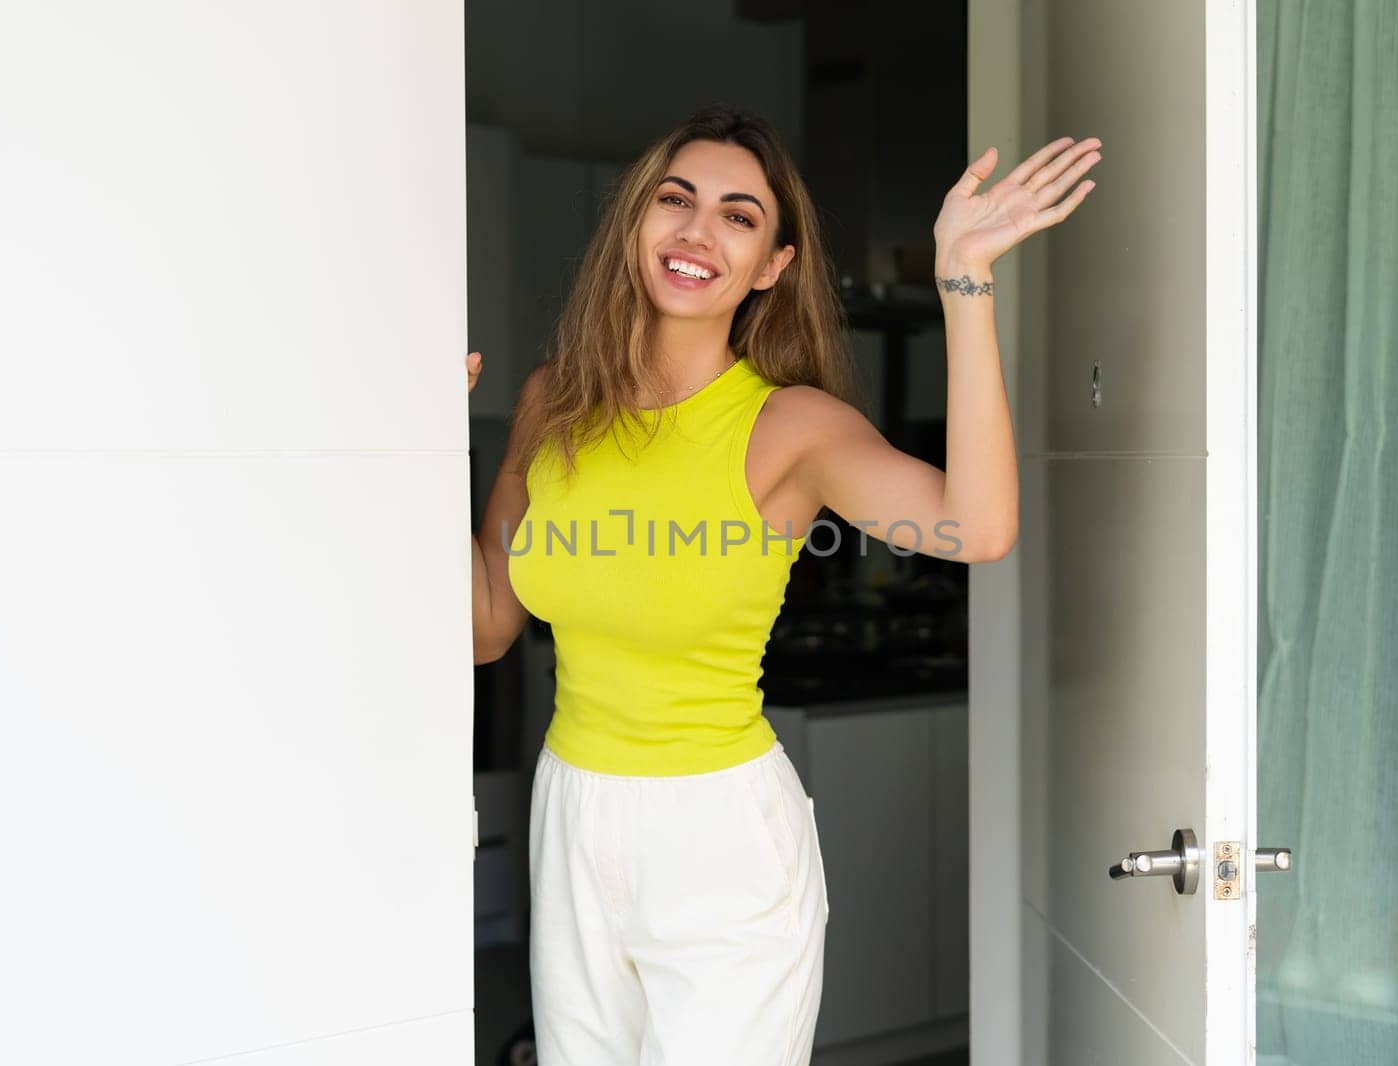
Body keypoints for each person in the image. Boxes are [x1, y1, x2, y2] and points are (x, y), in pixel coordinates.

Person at [467, 104, 1100, 1066]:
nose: (696, 232)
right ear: (635, 223)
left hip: (717, 834)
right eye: (675, 201)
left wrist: (963, 283)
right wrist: (414, 449)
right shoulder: (555, 401)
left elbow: (979, 527)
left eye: (738, 215)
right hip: (572, 812)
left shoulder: (790, 428)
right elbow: (485, 629)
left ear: (771, 266)